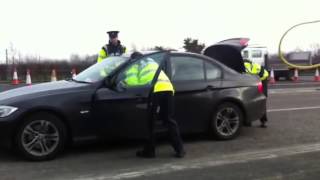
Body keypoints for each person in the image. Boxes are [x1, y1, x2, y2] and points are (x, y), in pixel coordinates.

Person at [124, 52, 185, 158]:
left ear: (133, 60)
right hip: (169, 90)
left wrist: (124, 82)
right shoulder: (152, 63)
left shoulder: (135, 65)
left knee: (150, 122)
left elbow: (132, 82)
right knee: (169, 120)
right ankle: (180, 149)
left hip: (155, 91)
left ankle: (149, 151)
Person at [244, 59, 269, 128]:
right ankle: (264, 122)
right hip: (262, 85)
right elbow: (266, 74)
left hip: (252, 86)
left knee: (248, 104)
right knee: (262, 104)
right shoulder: (256, 66)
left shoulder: (243, 67)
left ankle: (248, 122)